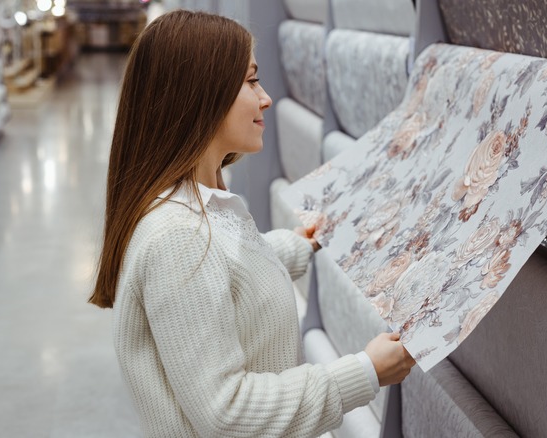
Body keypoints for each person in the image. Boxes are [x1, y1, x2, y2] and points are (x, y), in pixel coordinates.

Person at [89, 10, 416, 437]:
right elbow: (228, 413)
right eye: (250, 81)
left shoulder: (197, 205)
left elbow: (225, 274)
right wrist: (365, 371)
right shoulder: (178, 236)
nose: (266, 98)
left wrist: (303, 243)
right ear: (200, 96)